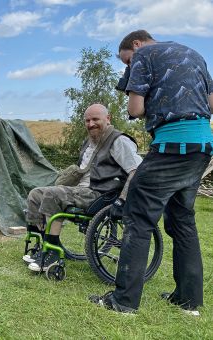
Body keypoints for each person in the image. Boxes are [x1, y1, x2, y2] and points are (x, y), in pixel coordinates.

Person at [90, 30, 213, 316]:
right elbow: (210, 105)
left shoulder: (144, 54)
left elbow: (136, 108)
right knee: (182, 221)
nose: (128, 68)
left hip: (171, 144)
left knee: (137, 217)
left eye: (127, 61)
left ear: (136, 44)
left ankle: (123, 302)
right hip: (202, 144)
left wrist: (148, 102)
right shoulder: (194, 55)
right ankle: (188, 301)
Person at [23, 103, 142, 272]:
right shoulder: (89, 141)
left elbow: (136, 171)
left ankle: (52, 255)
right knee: (35, 194)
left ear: (108, 119)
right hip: (83, 189)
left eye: (95, 119)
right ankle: (42, 245)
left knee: (52, 194)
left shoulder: (119, 141)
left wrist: (122, 200)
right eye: (87, 120)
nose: (91, 124)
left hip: (101, 193)